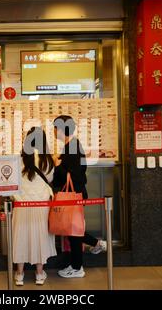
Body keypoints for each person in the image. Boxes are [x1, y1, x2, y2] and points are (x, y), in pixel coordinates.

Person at [52, 115, 107, 279]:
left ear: (61, 129)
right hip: (74, 194)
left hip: (73, 195)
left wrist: (57, 165)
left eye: (55, 128)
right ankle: (95, 245)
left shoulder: (73, 147)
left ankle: (77, 267)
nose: (54, 131)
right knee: (73, 229)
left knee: (73, 231)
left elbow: (75, 176)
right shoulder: (71, 146)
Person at [12, 127, 57, 286]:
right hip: (41, 204)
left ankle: (19, 274)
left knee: (21, 236)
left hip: (22, 203)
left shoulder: (20, 158)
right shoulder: (47, 159)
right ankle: (39, 274)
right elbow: (50, 177)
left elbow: (13, 180)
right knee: (40, 237)